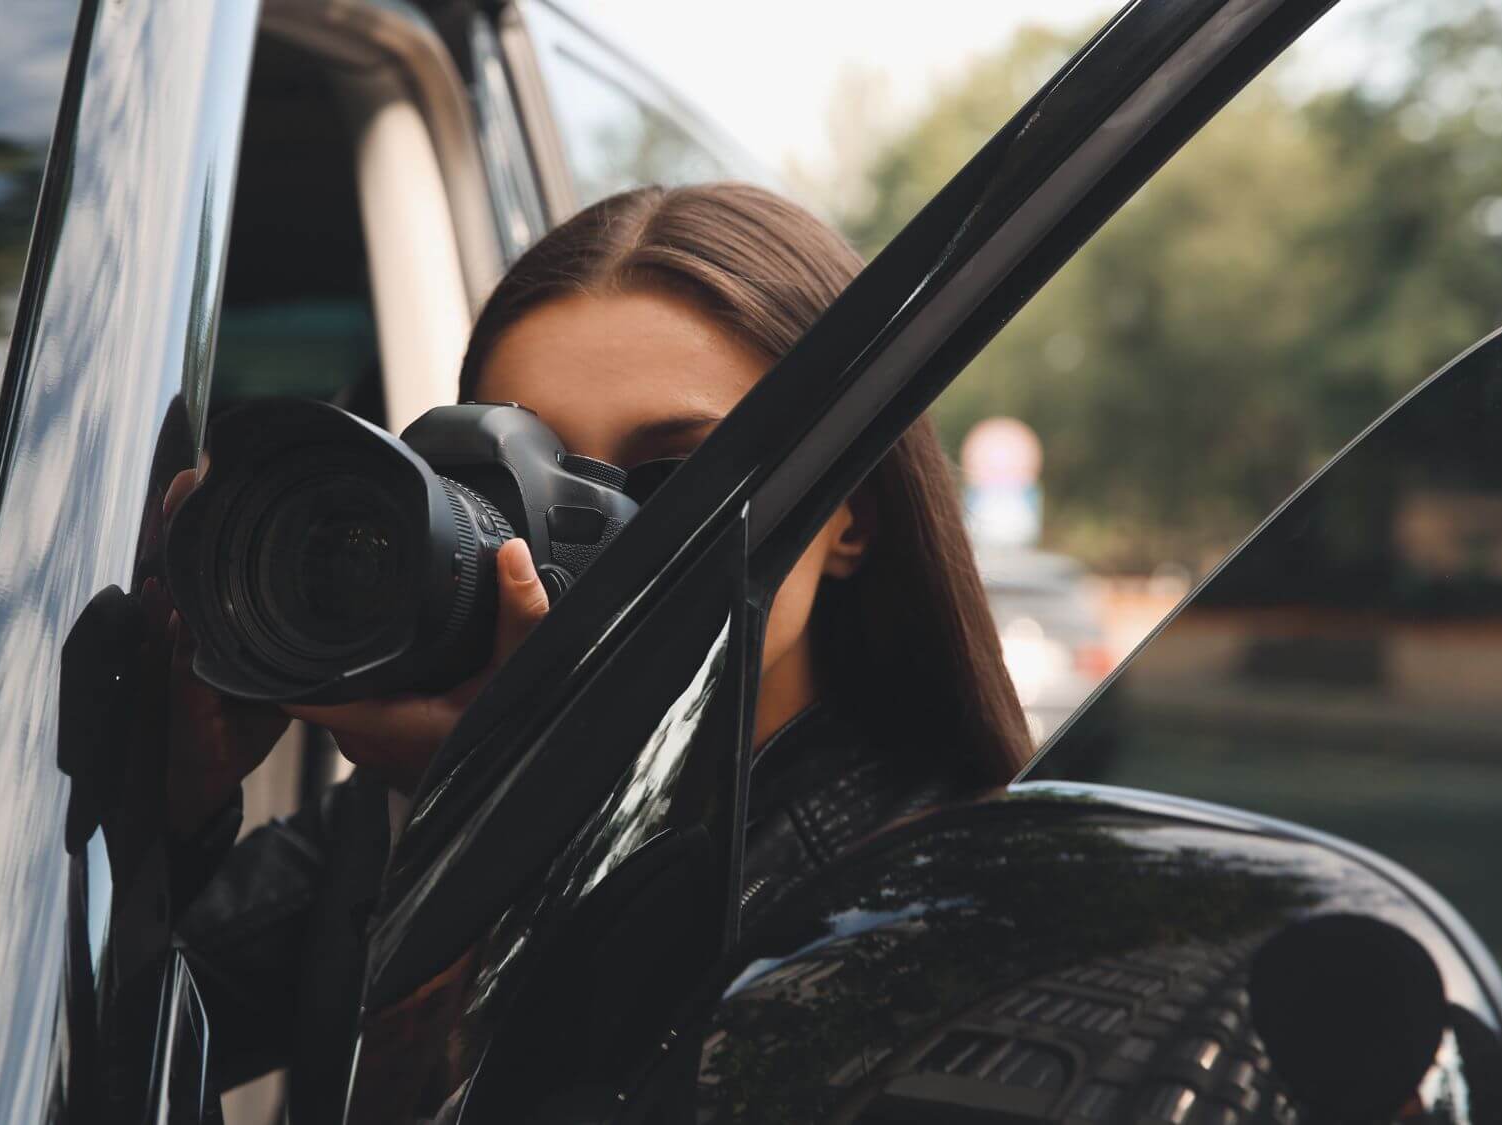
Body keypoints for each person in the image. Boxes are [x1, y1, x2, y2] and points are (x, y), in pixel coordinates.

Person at [86, 182, 1030, 1119]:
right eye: (518, 477)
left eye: (675, 479)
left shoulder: (926, 902)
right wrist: (168, 803)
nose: (580, 535)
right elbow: (60, 1061)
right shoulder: (394, 815)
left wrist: (518, 833)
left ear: (852, 514)